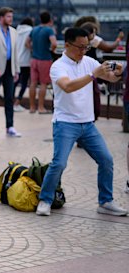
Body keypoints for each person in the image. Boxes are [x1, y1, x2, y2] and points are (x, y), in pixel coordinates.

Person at [35, 27, 126, 217]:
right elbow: (68, 86)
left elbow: (109, 78)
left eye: (86, 47)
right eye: (80, 47)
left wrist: (118, 73)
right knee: (59, 163)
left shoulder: (89, 62)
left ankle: (105, 201)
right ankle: (45, 199)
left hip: (88, 124)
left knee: (106, 160)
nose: (84, 51)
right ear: (67, 45)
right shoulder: (58, 66)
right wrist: (93, 75)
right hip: (65, 123)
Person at [0, 7, 21, 137]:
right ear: (1, 17)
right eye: (8, 16)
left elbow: (15, 52)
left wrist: (17, 70)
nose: (11, 19)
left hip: (9, 68)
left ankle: (10, 126)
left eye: (11, 17)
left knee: (9, 98)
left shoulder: (14, 32)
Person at [26, 11, 57, 114]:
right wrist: (51, 50)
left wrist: (32, 49)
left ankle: (32, 107)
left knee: (33, 83)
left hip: (34, 59)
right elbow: (54, 43)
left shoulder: (34, 29)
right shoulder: (49, 30)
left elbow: (27, 42)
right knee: (43, 83)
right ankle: (40, 107)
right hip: (45, 59)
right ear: (50, 20)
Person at [13, 17, 34, 111]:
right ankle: (17, 102)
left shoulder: (16, 31)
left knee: (14, 82)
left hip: (16, 60)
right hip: (26, 61)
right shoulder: (31, 31)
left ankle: (10, 101)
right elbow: (29, 44)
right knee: (24, 83)